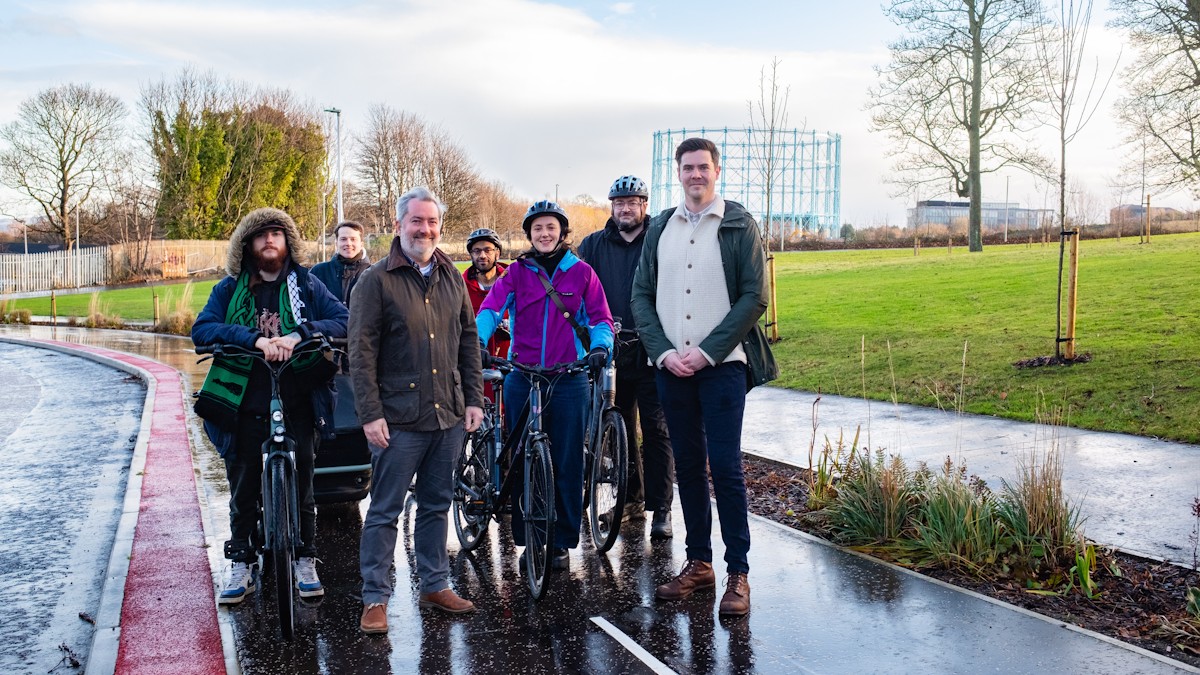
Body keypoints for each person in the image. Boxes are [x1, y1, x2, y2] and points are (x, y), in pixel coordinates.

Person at [631, 138, 778, 617]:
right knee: (688, 468)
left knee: (726, 468)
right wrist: (664, 352)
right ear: (678, 173)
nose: (696, 175)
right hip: (671, 369)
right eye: (688, 168)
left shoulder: (738, 224)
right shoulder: (661, 228)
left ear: (717, 170)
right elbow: (641, 297)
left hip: (723, 369)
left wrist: (708, 353)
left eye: (703, 167)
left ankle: (739, 572)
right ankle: (699, 563)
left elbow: (754, 297)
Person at [192, 207, 348, 605]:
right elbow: (203, 329)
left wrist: (299, 335)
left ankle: (304, 558)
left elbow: (344, 319)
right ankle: (241, 560)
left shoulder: (307, 285)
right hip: (243, 400)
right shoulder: (229, 289)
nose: (269, 239)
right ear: (247, 245)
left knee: (305, 484)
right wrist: (254, 340)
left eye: (277, 233)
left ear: (287, 243)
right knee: (242, 486)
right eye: (260, 234)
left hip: (299, 397)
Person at [350, 187, 485, 633]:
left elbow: (468, 340)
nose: (424, 229)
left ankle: (435, 584)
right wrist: (370, 413)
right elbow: (361, 352)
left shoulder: (451, 277)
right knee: (385, 510)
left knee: (436, 504)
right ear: (398, 225)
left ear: (439, 227)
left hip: (447, 415)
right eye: (416, 221)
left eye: (431, 222)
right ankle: (375, 598)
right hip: (398, 419)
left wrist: (473, 399)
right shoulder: (375, 281)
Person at [476, 201, 614, 571]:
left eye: (551, 227)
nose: (545, 233)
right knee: (523, 458)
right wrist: (478, 341)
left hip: (569, 377)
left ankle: (563, 542)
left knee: (568, 461)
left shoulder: (583, 273)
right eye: (537, 228)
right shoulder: (517, 273)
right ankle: (530, 537)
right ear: (529, 235)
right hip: (523, 374)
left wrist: (601, 347)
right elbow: (490, 310)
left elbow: (601, 318)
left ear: (562, 232)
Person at [578, 175, 675, 538]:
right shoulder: (592, 246)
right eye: (619, 203)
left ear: (644, 206)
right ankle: (631, 500)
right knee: (616, 429)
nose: (625, 209)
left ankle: (661, 508)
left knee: (656, 429)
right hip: (610, 351)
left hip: (651, 349)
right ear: (612, 208)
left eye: (632, 202)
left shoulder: (660, 240)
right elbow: (577, 292)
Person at [462, 227, 510, 393]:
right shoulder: (460, 287)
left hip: (509, 364)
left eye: (487, 250)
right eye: (476, 251)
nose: (482, 255)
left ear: (497, 253)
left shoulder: (512, 283)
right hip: (475, 365)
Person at [311, 220, 370, 306]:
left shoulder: (372, 273)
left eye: (353, 239)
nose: (348, 243)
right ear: (336, 243)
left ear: (361, 244)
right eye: (343, 239)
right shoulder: (319, 272)